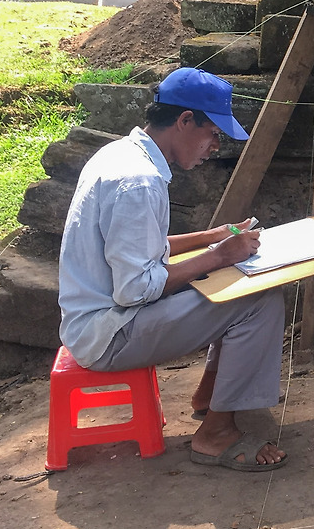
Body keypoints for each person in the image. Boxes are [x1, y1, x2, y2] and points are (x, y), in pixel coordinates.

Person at [58, 67, 288, 471]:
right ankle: (215, 435)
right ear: (184, 120)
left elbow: (138, 249)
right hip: (109, 334)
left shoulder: (121, 155)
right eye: (212, 133)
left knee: (235, 283)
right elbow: (135, 288)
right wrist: (219, 256)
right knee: (260, 300)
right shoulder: (139, 182)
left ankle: (211, 397)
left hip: (102, 320)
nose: (214, 147)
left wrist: (210, 238)